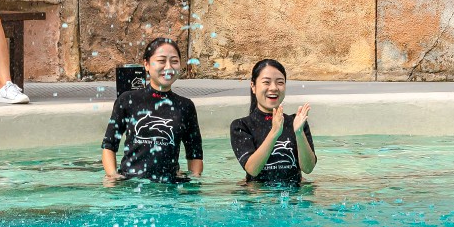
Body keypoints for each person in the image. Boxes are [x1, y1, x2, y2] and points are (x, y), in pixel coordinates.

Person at [102, 37, 203, 184]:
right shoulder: (128, 100)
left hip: (170, 185)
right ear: (146, 64)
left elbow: (195, 154)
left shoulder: (185, 106)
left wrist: (194, 183)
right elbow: (109, 145)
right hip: (131, 185)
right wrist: (112, 177)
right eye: (161, 61)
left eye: (174, 61)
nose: (168, 67)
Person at [228, 58, 316, 185]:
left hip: (293, 198)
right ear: (253, 86)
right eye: (266, 82)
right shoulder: (241, 126)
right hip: (260, 199)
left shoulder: (296, 122)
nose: (274, 88)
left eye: (280, 82)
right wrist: (274, 132)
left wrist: (299, 133)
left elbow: (308, 168)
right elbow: (252, 170)